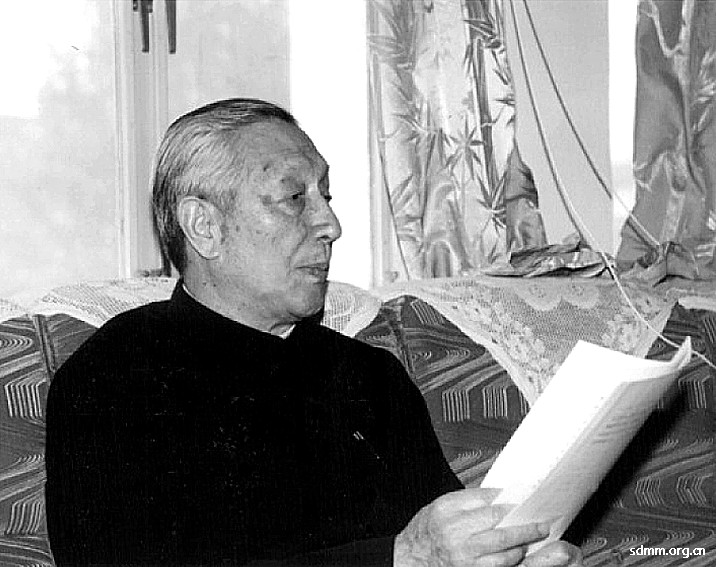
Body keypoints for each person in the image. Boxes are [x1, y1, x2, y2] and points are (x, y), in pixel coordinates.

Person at [45, 98, 582, 567]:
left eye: (325, 195)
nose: (331, 225)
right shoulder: (114, 380)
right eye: (294, 198)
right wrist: (400, 559)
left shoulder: (370, 375)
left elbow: (443, 546)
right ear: (204, 226)